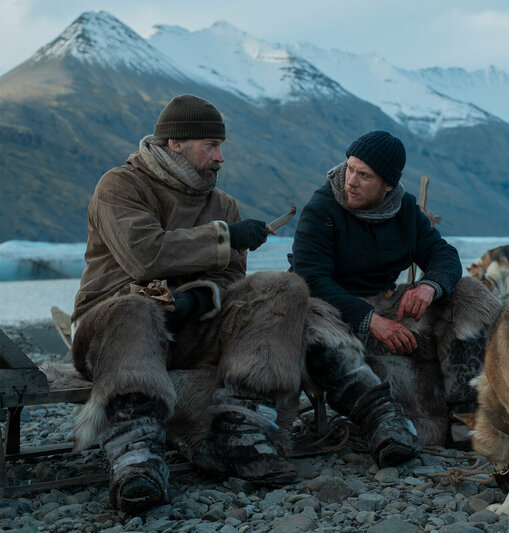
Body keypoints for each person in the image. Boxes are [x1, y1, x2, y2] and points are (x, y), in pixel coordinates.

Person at [70, 96, 419, 515]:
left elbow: (230, 282)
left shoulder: (222, 204)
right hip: (112, 328)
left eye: (221, 146)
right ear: (175, 143)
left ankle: (239, 433)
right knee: (135, 309)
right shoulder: (121, 185)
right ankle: (136, 459)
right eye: (211, 145)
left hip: (189, 327)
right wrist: (225, 237)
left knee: (284, 288)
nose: (220, 157)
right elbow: (144, 255)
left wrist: (196, 299)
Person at [291, 130, 502, 448]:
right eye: (350, 169)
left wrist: (429, 287)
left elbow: (443, 255)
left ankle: (469, 414)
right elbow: (311, 279)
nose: (350, 181)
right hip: (331, 313)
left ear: (387, 185)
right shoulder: (322, 209)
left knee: (469, 293)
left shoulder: (404, 209)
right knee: (314, 317)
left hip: (387, 303)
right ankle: (388, 422)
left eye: (364, 175)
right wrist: (369, 319)